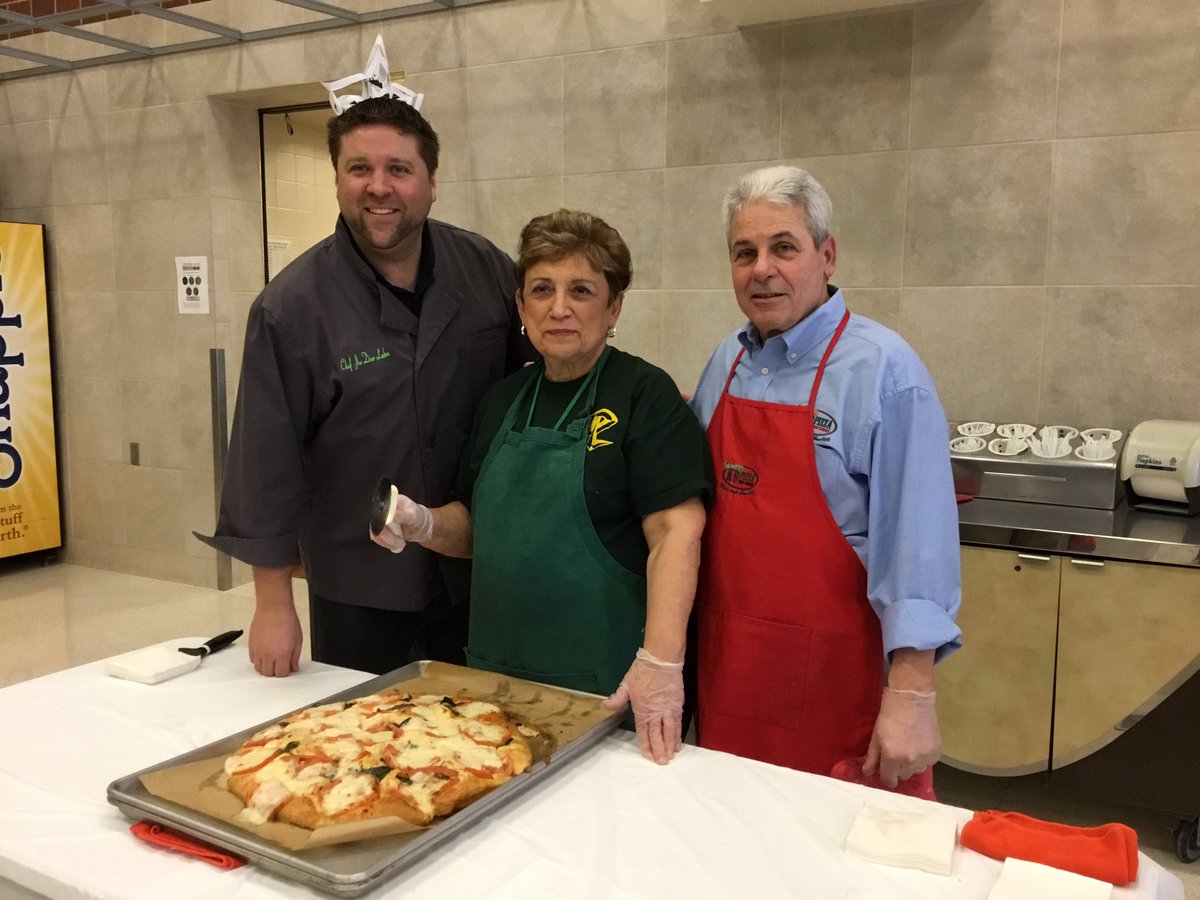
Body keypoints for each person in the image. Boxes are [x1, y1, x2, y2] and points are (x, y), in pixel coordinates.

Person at [197, 39, 530, 677]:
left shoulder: (485, 268)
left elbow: (535, 378)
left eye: (399, 169)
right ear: (338, 180)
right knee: (363, 742)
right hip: (358, 582)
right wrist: (273, 604)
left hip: (476, 563)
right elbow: (264, 463)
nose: (379, 187)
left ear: (432, 183)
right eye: (359, 169)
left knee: (480, 737)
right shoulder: (289, 310)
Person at [372, 209, 712, 764]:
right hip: (494, 682)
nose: (559, 308)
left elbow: (678, 528)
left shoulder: (644, 397)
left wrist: (662, 660)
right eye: (542, 289)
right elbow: (479, 529)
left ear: (614, 306)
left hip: (602, 688)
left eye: (581, 290)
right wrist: (424, 523)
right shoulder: (503, 400)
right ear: (520, 304)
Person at [688, 165, 962, 794]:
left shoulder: (885, 370)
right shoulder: (727, 361)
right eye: (744, 252)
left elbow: (916, 549)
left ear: (826, 254)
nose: (762, 268)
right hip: (731, 680)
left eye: (784, 247)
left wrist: (913, 694)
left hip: (840, 696)